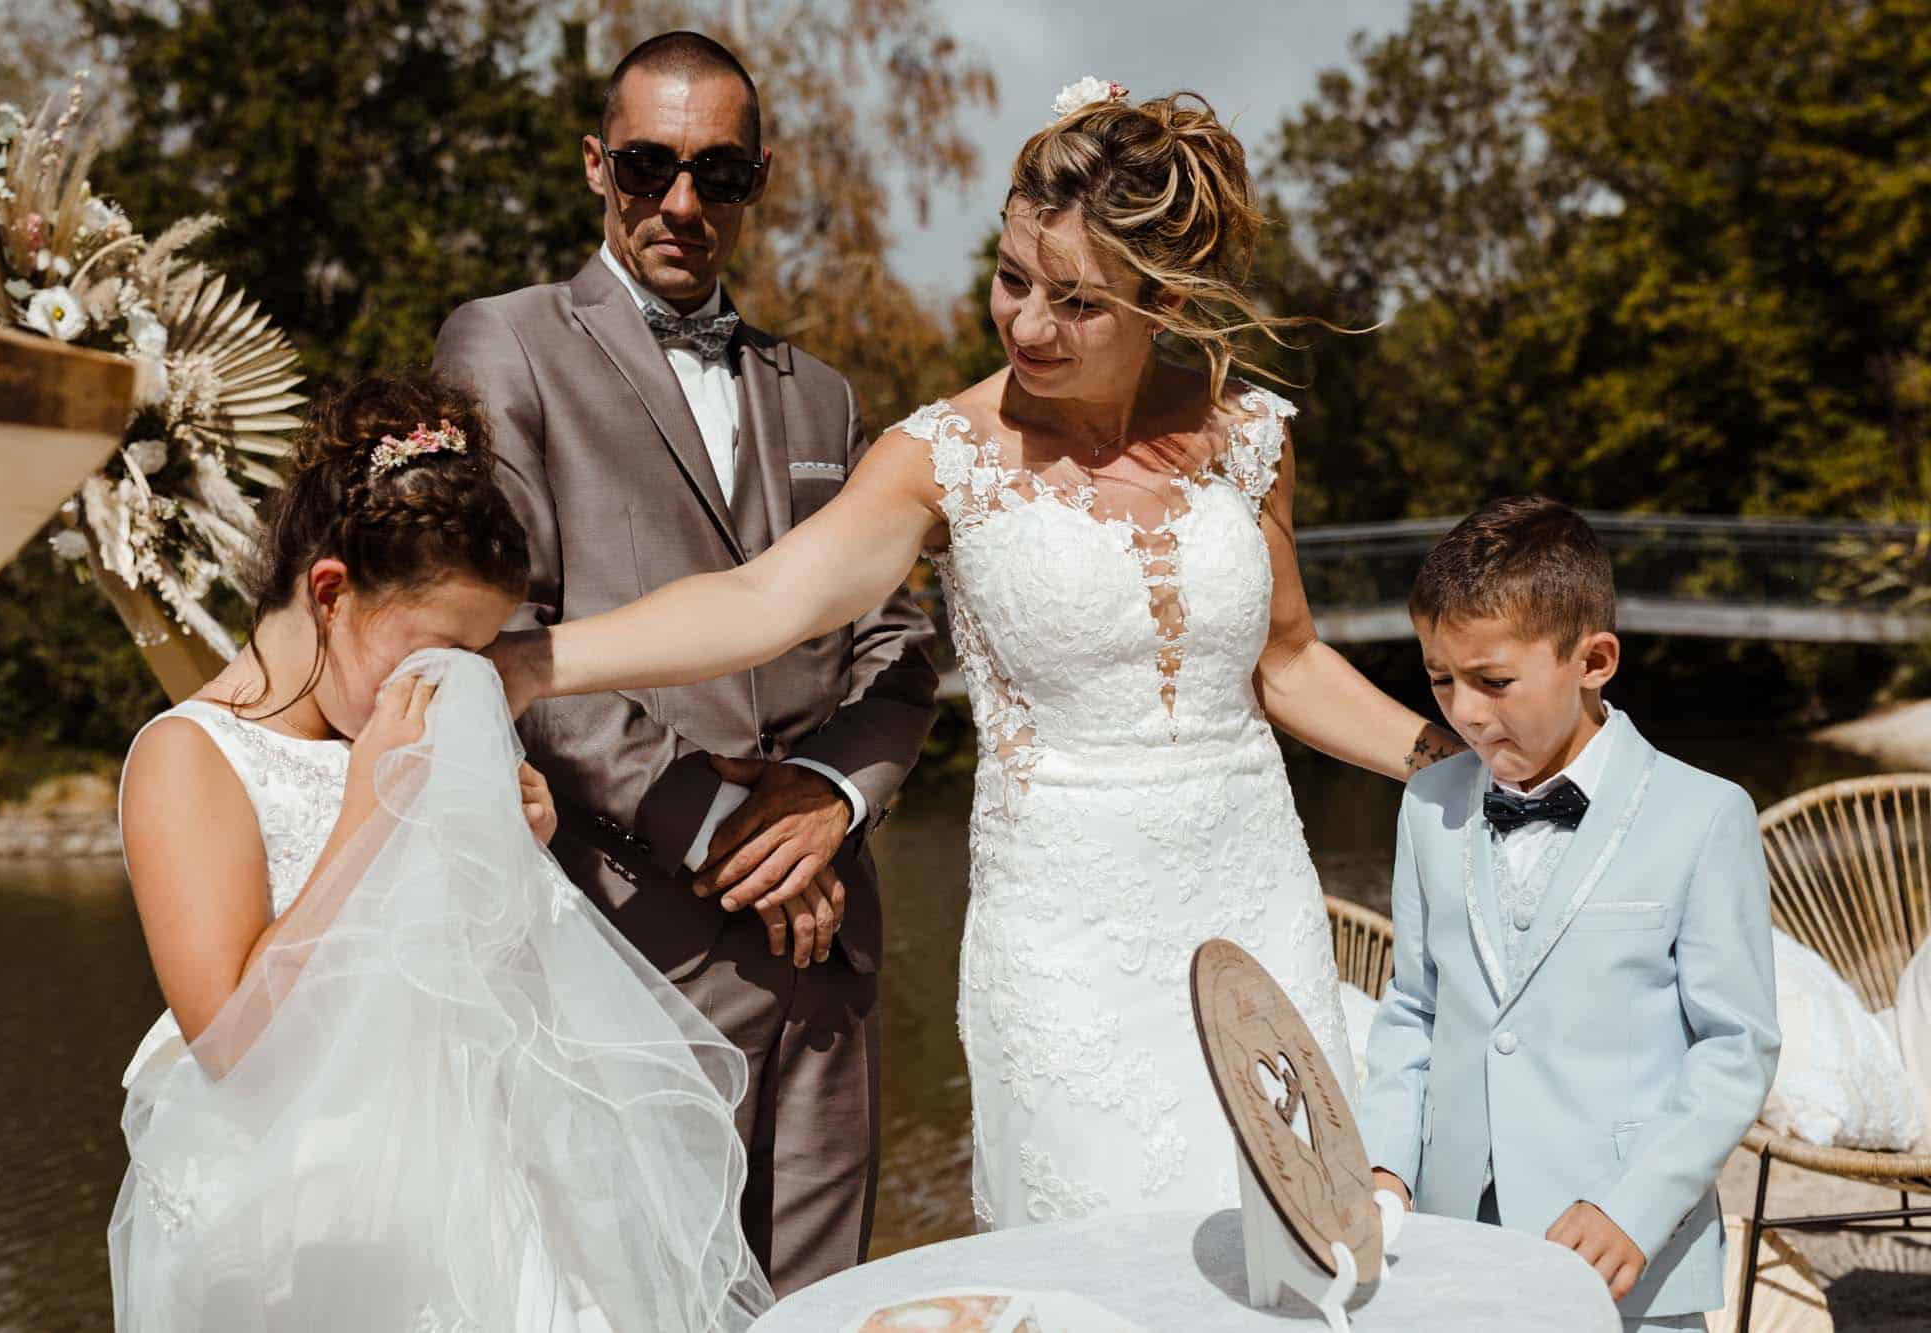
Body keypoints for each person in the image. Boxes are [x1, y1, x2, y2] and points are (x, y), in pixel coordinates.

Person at [490, 81, 1463, 1231]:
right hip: (1061, 942)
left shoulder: (1245, 435)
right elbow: (761, 600)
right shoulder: (940, 456)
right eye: (1011, 280)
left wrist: (1455, 758)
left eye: (1077, 301)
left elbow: (1288, 665)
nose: (1027, 324)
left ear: (1163, 300)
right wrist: (526, 663)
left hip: (1256, 904)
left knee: (1295, 1245)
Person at [432, 30, 939, 1288]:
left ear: (756, 179)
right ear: (595, 165)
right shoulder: (503, 346)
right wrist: (725, 830)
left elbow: (901, 643)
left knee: (828, 1299)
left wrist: (825, 800)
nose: (680, 202)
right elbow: (509, 648)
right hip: (633, 941)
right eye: (649, 165)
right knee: (646, 1296)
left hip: (827, 943)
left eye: (717, 173)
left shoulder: (819, 396)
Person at [109, 373, 771, 1331]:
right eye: (432, 653)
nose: (453, 686)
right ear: (330, 593)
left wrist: (513, 854)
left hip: (480, 1199)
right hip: (303, 1230)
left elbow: (466, 995)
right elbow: (232, 1040)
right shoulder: (189, 757)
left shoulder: (387, 733)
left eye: (472, 658)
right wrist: (376, 811)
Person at [1358, 497, 1780, 1333]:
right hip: (1452, 1244)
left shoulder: (1704, 814)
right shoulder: (1427, 805)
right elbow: (1413, 1009)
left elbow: (1736, 1049)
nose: (1466, 712)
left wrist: (1636, 1204)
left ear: (1595, 660)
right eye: (1441, 678)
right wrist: (1384, 1167)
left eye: (1493, 680)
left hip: (1625, 1255)